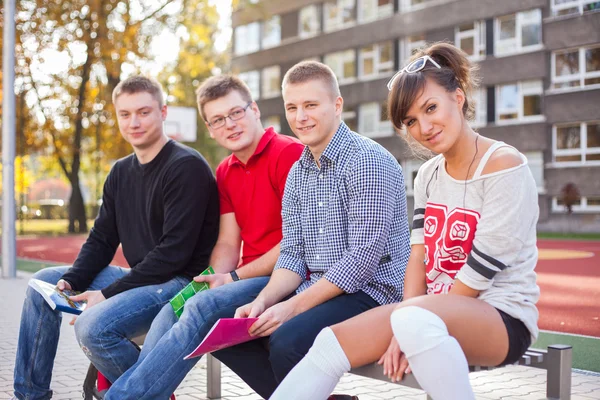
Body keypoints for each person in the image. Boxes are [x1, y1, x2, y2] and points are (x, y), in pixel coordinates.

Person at [269, 42, 541, 400]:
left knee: (414, 322)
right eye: (411, 120)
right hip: (425, 315)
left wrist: (408, 323)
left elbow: (480, 269)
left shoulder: (504, 164)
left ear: (457, 97)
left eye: (431, 108)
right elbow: (418, 258)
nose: (424, 127)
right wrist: (407, 317)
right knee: (328, 344)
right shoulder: (427, 174)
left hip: (501, 318)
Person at [212, 61, 411, 400]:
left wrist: (292, 307)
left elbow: (360, 261)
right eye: (292, 107)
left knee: (286, 340)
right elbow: (292, 253)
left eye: (310, 105)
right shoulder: (299, 172)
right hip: (319, 288)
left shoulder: (367, 161)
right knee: (227, 332)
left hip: (373, 293)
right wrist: (263, 302)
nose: (300, 116)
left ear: (336, 105)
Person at [12, 76, 220, 400]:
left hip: (181, 282)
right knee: (43, 285)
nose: (133, 122)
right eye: (125, 114)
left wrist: (106, 295)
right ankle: (30, 395)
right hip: (142, 278)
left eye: (143, 112)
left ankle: (151, 391)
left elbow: (173, 255)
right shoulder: (120, 172)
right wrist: (72, 279)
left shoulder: (186, 167)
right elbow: (101, 239)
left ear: (163, 112)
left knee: (93, 327)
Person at [102, 75, 304, 399]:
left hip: (285, 277)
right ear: (210, 129)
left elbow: (297, 245)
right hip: (244, 279)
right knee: (175, 308)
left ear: (254, 110)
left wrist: (233, 276)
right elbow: (227, 242)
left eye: (236, 113)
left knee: (201, 311)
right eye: (218, 120)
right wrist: (208, 279)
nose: (230, 124)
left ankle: (124, 396)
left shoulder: (290, 154)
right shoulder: (224, 170)